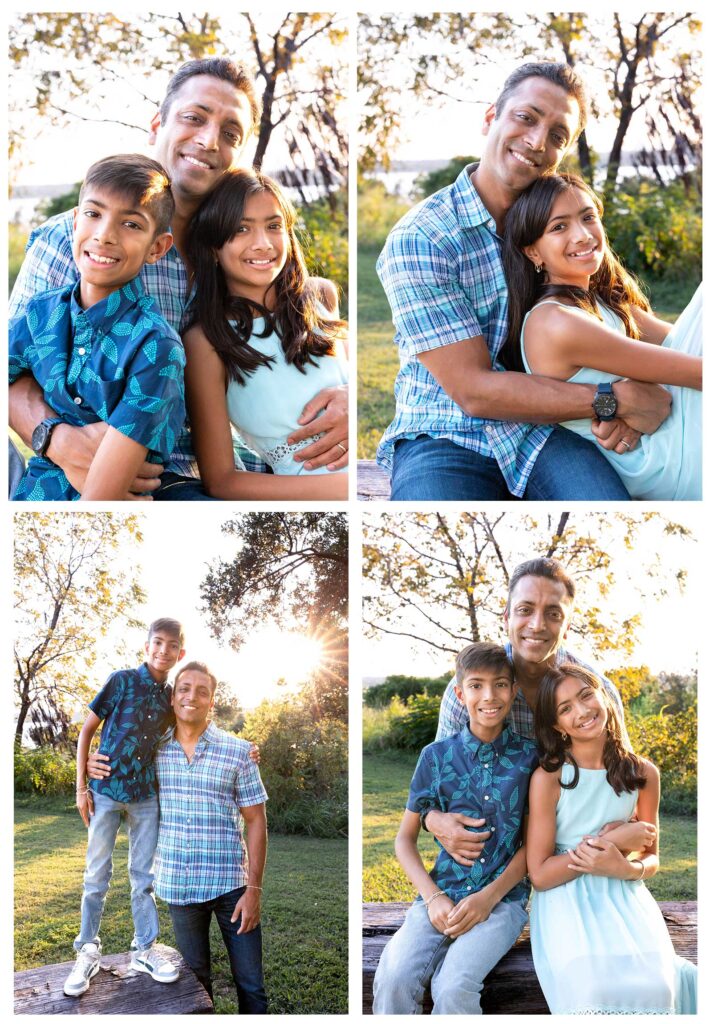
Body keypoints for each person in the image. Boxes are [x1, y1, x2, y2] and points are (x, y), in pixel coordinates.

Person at [9, 57, 348, 500]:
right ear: (157, 124)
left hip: (194, 474)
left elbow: (298, 332)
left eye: (230, 133)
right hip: (79, 468)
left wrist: (344, 394)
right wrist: (59, 441)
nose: (209, 140)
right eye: (194, 118)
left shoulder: (233, 254)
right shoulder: (77, 239)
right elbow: (11, 365)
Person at [374, 62, 672, 500]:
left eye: (556, 136)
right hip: (443, 433)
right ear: (491, 117)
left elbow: (623, 319)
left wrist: (641, 398)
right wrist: (613, 400)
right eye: (526, 117)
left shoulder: (564, 221)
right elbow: (474, 392)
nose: (536, 142)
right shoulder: (421, 238)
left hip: (549, 429)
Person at [501, 172, 701, 499]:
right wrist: (636, 401)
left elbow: (678, 343)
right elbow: (694, 372)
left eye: (588, 217)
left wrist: (641, 404)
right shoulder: (555, 323)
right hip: (658, 461)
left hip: (665, 431)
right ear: (533, 253)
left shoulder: (601, 301)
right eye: (559, 227)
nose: (582, 235)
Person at [423, 557, 626, 867]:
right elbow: (435, 785)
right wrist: (432, 820)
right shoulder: (470, 691)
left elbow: (625, 774)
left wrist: (627, 830)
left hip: (574, 854)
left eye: (553, 614)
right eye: (525, 610)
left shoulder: (597, 693)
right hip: (493, 855)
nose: (537, 625)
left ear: (567, 625)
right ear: (506, 618)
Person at [372, 643, 537, 1014]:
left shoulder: (530, 758)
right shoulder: (435, 756)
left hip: (502, 903)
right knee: (392, 978)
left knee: (453, 986)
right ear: (460, 694)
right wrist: (432, 898)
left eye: (500, 685)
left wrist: (489, 898)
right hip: (440, 896)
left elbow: (534, 846)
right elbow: (404, 840)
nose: (489, 696)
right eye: (476, 686)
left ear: (513, 691)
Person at [9, 155, 185, 501]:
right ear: (76, 222)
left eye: (131, 224)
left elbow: (101, 497)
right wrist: (52, 435)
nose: (104, 235)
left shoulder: (156, 347)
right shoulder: (39, 314)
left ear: (158, 247)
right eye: (93, 214)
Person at [527, 663, 697, 1014]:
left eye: (586, 695)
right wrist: (616, 839)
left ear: (604, 696)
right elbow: (540, 875)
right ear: (557, 725)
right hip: (566, 898)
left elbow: (651, 859)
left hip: (624, 894)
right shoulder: (550, 777)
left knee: (657, 987)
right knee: (595, 988)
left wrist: (624, 868)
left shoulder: (643, 772)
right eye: (565, 708)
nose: (582, 711)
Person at [183, 168, 348, 498]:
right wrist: (342, 488)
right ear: (213, 246)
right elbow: (222, 480)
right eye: (241, 229)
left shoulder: (320, 296)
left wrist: (349, 396)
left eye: (274, 226)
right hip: (319, 493)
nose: (263, 244)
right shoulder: (205, 342)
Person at [64, 618, 186, 997]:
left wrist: (246, 749)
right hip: (105, 792)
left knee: (143, 878)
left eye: (171, 646)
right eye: (157, 643)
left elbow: (193, 730)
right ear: (146, 646)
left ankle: (144, 949)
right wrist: (82, 783)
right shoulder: (121, 681)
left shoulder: (171, 697)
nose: (163, 651)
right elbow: (87, 730)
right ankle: (87, 950)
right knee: (95, 875)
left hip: (146, 797)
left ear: (180, 653)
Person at [154, 662, 269, 1013]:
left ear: (212, 701)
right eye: (184, 689)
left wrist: (254, 891)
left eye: (201, 691)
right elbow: (116, 774)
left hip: (232, 889)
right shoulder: (152, 753)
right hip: (179, 887)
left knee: (251, 984)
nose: (192, 696)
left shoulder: (238, 752)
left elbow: (256, 822)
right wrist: (90, 767)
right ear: (173, 697)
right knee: (195, 984)